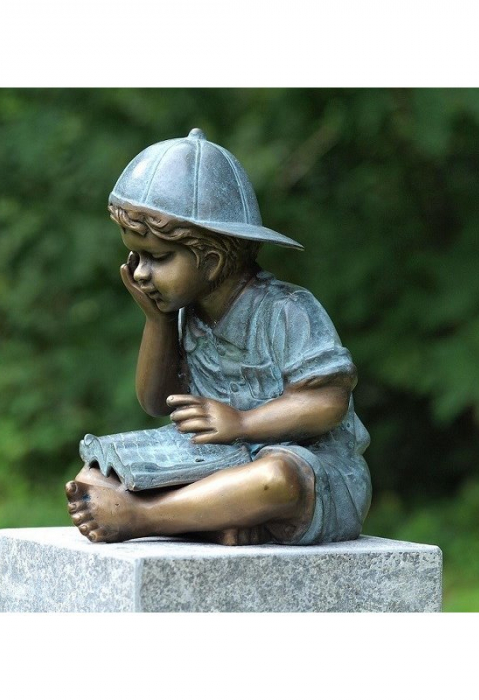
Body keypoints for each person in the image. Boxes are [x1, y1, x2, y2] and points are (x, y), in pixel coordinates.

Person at [66, 128, 371, 545]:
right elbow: (157, 403)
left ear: (210, 260)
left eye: (157, 258)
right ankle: (220, 518)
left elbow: (327, 401)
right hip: (218, 459)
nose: (139, 273)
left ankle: (144, 518)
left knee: (275, 479)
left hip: (310, 469)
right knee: (97, 476)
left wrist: (242, 422)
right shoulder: (185, 314)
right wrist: (157, 322)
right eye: (135, 257)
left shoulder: (287, 310)